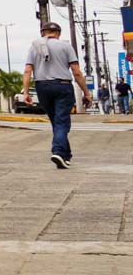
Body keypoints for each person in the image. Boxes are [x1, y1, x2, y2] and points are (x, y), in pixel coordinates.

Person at [21, 21, 89, 170]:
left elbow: (27, 70)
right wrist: (86, 92)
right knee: (62, 122)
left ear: (42, 33)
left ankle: (65, 155)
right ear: (58, 34)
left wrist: (26, 92)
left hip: (42, 86)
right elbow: (76, 71)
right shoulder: (66, 46)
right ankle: (57, 150)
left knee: (56, 122)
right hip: (63, 86)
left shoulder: (34, 46)